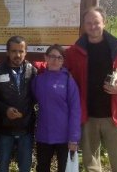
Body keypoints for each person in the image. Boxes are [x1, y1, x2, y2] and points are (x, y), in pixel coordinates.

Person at [65, 6, 117, 172]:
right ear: (84, 25)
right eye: (88, 23)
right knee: (91, 163)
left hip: (115, 114)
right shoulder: (74, 51)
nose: (93, 26)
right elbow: (58, 68)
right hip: (87, 115)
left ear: (104, 23)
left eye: (96, 22)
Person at [0, 36, 37, 172]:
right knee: (2, 167)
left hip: (26, 129)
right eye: (14, 51)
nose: (17, 55)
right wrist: (5, 110)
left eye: (21, 51)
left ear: (26, 52)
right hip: (4, 129)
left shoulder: (31, 71)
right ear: (7, 52)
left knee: (25, 167)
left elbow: (36, 97)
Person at [31, 44, 81, 172]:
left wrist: (74, 138)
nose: (55, 60)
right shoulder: (38, 80)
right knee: (42, 168)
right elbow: (29, 101)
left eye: (59, 58)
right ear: (46, 58)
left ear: (63, 61)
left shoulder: (68, 81)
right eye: (52, 56)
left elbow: (75, 110)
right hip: (44, 135)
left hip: (64, 137)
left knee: (64, 169)